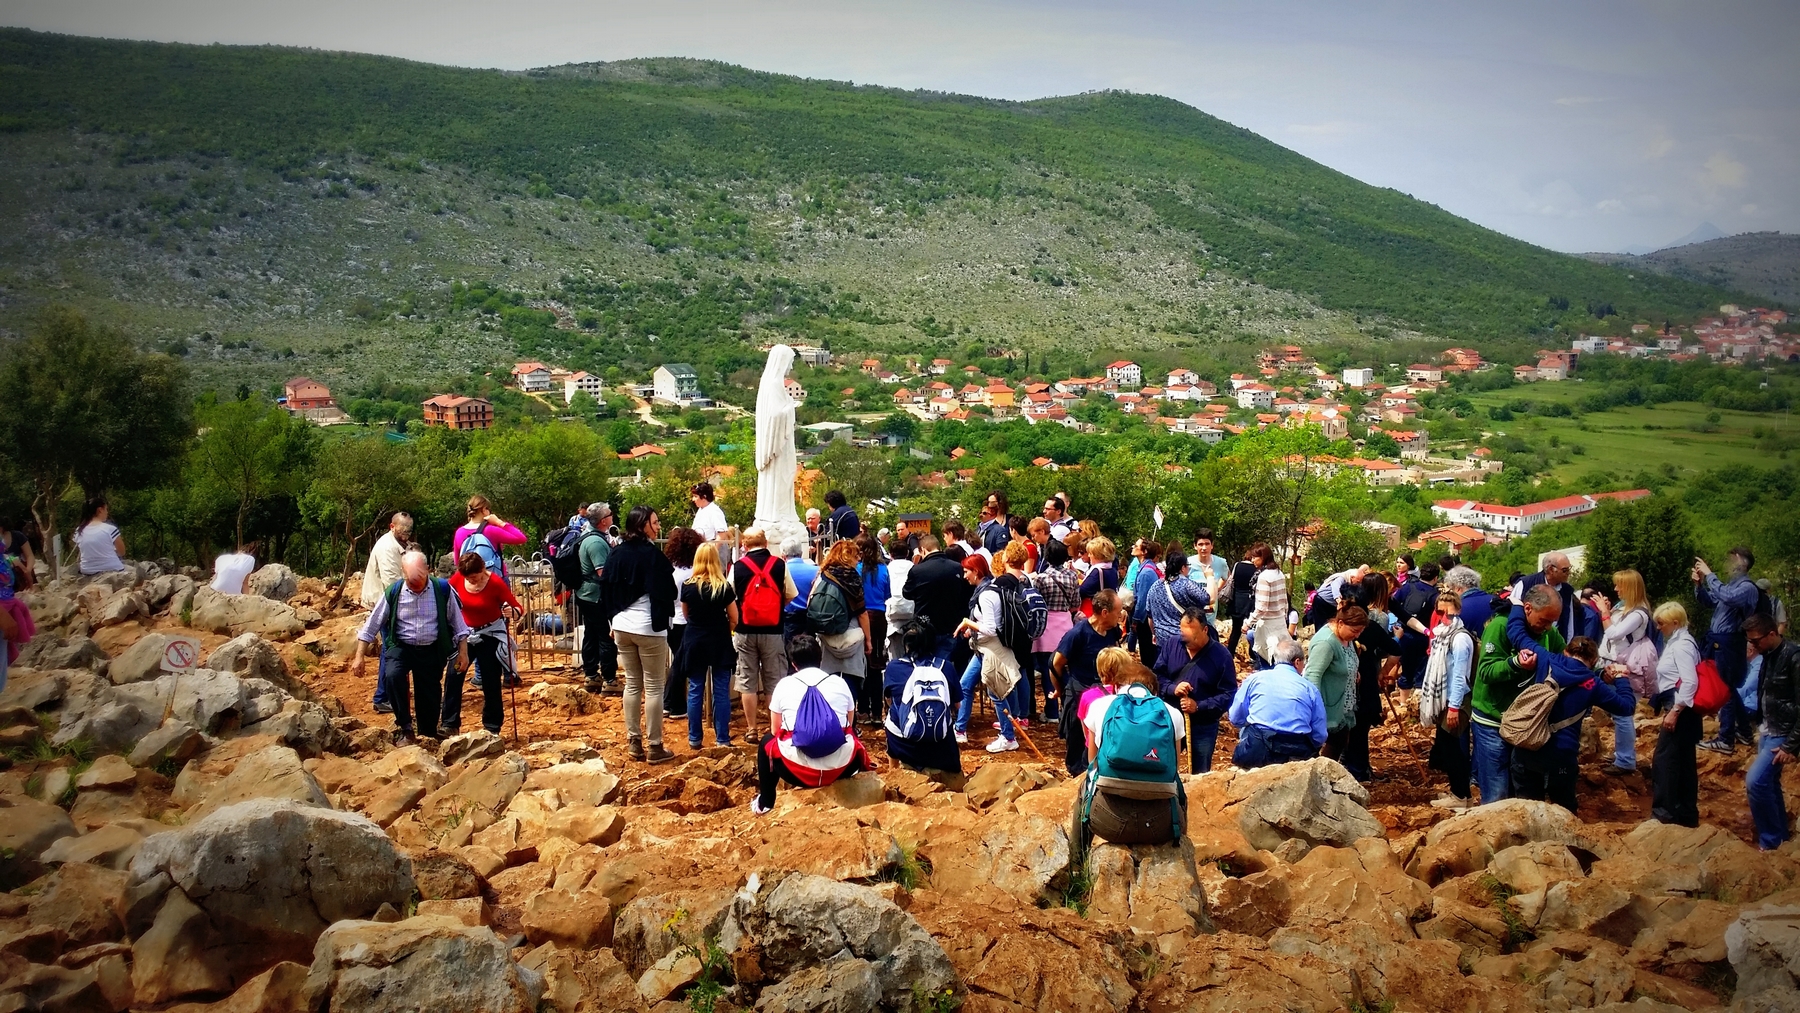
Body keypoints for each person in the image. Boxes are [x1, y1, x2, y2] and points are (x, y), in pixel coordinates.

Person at [350, 551, 470, 746]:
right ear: (402, 574)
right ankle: (405, 727)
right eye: (410, 582)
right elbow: (371, 626)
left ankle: (427, 734)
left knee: (429, 693)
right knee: (393, 676)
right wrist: (359, 657)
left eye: (419, 581)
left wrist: (463, 652)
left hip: (431, 648)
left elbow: (459, 624)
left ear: (428, 571)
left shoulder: (442, 590)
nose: (415, 587)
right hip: (401, 647)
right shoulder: (393, 592)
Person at [1509, 637, 1634, 813]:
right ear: (1594, 661)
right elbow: (1626, 707)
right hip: (1561, 757)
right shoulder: (1593, 684)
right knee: (1565, 811)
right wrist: (1620, 678)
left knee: (1528, 811)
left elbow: (1517, 632)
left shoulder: (1546, 658)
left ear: (1566, 652)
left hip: (1526, 748)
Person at [752, 633, 870, 814]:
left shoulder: (784, 685)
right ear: (820, 657)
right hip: (841, 768)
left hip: (796, 772)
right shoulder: (839, 683)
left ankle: (766, 802)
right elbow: (849, 724)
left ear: (793, 663)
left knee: (766, 743)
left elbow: (775, 731)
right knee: (851, 736)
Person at [1472, 583, 1567, 804]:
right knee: (1496, 792)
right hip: (1492, 721)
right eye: (1543, 621)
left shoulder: (1548, 634)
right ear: (1527, 608)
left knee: (1522, 791)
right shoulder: (1500, 626)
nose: (1546, 627)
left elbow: (1566, 658)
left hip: (1526, 725)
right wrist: (1515, 664)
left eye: (1552, 622)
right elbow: (1485, 672)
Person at [1078, 657, 1186, 847]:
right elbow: (1174, 767)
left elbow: (1092, 762)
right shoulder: (1172, 713)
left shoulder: (1100, 705)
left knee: (1084, 784)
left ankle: (1078, 863)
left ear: (1117, 686)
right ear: (1154, 691)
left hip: (1108, 822)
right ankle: (1179, 848)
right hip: (1160, 825)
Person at [600, 506, 679, 764]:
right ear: (643, 524)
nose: (658, 527)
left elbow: (607, 589)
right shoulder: (652, 556)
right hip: (648, 627)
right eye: (655, 522)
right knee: (654, 686)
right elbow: (669, 592)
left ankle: (633, 741)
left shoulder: (616, 553)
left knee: (633, 683)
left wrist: (613, 619)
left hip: (621, 625)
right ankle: (655, 745)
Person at [951, 550, 1026, 753]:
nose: (964, 576)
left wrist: (969, 623)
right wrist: (972, 628)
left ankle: (1008, 737)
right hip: (983, 648)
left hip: (992, 650)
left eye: (966, 571)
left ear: (976, 571)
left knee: (996, 693)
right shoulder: (988, 590)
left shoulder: (986, 595)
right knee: (965, 686)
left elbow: (992, 628)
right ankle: (959, 730)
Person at [1053, 589, 1127, 774]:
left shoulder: (1112, 631)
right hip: (1080, 691)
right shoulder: (1078, 634)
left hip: (1105, 693)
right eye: (1117, 613)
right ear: (1104, 613)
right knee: (1076, 736)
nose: (1120, 617)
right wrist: (1060, 689)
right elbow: (1056, 663)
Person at [732, 528, 799, 734]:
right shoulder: (779, 565)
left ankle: (751, 728)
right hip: (773, 629)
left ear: (744, 544)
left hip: (745, 629)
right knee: (773, 680)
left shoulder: (738, 567)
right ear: (766, 542)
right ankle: (773, 729)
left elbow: (730, 595)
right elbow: (790, 594)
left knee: (747, 680)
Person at [447, 551, 522, 735]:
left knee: (491, 681)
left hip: (490, 634)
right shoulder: (458, 579)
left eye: (475, 577)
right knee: (453, 675)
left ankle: (492, 726)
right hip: (465, 635)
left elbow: (518, 607)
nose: (471, 581)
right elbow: (447, 598)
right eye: (468, 578)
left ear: (483, 569)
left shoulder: (495, 583)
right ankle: (449, 724)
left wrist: (513, 613)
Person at [1155, 606, 1236, 773]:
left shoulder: (1221, 656)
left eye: (1191, 637)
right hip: (1170, 719)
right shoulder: (1172, 644)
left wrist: (1198, 706)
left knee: (1200, 772)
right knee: (1163, 767)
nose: (1186, 641)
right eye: (1183, 635)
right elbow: (1157, 677)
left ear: (1205, 630)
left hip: (1203, 725)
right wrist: (1172, 688)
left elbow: (1228, 694)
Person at [1695, 547, 1760, 753]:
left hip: (1730, 641)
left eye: (1731, 558)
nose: (1727, 563)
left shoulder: (1747, 587)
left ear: (1741, 561)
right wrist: (1698, 585)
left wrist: (1709, 574)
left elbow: (1728, 597)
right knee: (1729, 688)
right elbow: (1710, 601)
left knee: (1725, 688)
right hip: (1721, 641)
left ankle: (1726, 739)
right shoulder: (1731, 586)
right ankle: (1744, 732)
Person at [1743, 613, 1796, 850]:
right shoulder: (1768, 655)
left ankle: (1771, 841)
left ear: (1772, 634)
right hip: (1768, 728)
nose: (1752, 646)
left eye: (1755, 641)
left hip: (1783, 731)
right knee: (1770, 784)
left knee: (1755, 782)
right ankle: (1780, 837)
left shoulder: (1793, 658)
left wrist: (1790, 745)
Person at [1229, 639, 1328, 768]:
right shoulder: (1310, 689)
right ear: (1297, 662)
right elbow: (1319, 734)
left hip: (1258, 749)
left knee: (1247, 728)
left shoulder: (1255, 679)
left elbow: (1235, 717)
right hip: (1296, 751)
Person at [882, 619, 962, 774]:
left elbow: (889, 701)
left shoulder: (894, 667)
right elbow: (957, 705)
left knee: (893, 715)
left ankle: (894, 772)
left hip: (904, 744)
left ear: (907, 643)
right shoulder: (946, 667)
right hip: (940, 744)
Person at [680, 542, 738, 749]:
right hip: (719, 640)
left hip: (695, 639)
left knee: (695, 689)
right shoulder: (723, 587)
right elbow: (734, 617)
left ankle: (694, 737)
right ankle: (722, 738)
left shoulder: (687, 586)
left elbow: (686, 615)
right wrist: (724, 627)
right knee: (721, 690)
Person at [1597, 569, 1654, 777]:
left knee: (1623, 714)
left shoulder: (1638, 614)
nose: (1615, 589)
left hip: (1622, 668)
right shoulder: (1625, 609)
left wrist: (1603, 611)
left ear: (1629, 587)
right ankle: (1621, 756)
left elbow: (1613, 633)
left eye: (1619, 585)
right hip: (1612, 664)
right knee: (1618, 713)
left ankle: (1626, 760)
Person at [1649, 602, 1702, 828]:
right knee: (1683, 762)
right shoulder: (1684, 642)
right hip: (1684, 707)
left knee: (1665, 761)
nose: (1658, 628)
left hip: (1679, 705)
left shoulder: (1681, 646)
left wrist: (1675, 711)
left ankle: (1664, 814)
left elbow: (1690, 681)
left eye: (1661, 623)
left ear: (1675, 623)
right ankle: (1686, 814)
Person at [1425, 589, 1477, 810]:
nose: (1446, 617)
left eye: (1450, 612)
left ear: (1458, 611)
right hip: (1445, 698)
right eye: (1441, 611)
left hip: (1456, 700)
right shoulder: (1443, 635)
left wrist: (1454, 707)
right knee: (1448, 747)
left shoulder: (1460, 639)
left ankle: (1460, 796)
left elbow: (1459, 675)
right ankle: (1460, 793)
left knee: (1454, 749)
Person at [1305, 603, 1366, 763]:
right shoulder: (1326, 642)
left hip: (1342, 706)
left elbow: (1344, 661)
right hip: (1327, 706)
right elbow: (1313, 675)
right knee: (1322, 746)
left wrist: (1353, 672)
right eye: (1354, 631)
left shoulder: (1346, 638)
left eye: (1360, 631)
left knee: (1338, 743)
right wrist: (1315, 707)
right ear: (1340, 623)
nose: (1357, 636)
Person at [1029, 543, 1082, 722]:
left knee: (1047, 668)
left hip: (1046, 625)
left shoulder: (1041, 578)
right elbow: (1076, 603)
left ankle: (1052, 711)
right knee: (1065, 667)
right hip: (1066, 623)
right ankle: (1069, 707)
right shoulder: (1073, 576)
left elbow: (1035, 604)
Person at [813, 539, 873, 694]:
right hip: (851, 635)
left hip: (826, 633)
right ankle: (848, 714)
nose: (858, 559)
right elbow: (862, 614)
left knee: (827, 681)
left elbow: (810, 603)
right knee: (850, 682)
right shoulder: (851, 578)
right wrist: (868, 640)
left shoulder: (822, 575)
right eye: (855, 556)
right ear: (847, 556)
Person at [902, 534, 974, 659]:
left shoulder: (917, 570)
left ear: (923, 550)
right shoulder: (957, 568)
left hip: (924, 627)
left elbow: (907, 593)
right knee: (943, 667)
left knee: (923, 667)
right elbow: (965, 594)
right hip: (950, 626)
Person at [573, 502, 618, 694]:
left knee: (591, 634)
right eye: (610, 514)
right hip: (596, 596)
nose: (612, 516)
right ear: (603, 521)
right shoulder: (597, 542)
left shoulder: (589, 535)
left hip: (585, 594)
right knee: (605, 636)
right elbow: (603, 573)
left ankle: (591, 675)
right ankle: (610, 679)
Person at [662, 527, 704, 718]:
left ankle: (671, 703)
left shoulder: (669, 569)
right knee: (681, 664)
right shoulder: (693, 572)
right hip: (687, 620)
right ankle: (674, 705)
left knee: (679, 661)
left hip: (672, 621)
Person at [856, 533, 892, 720]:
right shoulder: (883, 569)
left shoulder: (855, 569)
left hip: (859, 615)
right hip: (878, 616)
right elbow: (887, 594)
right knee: (876, 664)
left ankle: (863, 709)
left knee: (860, 663)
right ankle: (878, 712)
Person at [1148, 550, 1211, 652]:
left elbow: (1150, 617)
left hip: (1162, 640)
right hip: (1183, 641)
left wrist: (1154, 633)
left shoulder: (1155, 586)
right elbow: (1207, 599)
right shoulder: (1186, 584)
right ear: (1183, 568)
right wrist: (1210, 577)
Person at [454, 495, 526, 583]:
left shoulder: (459, 532)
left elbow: (457, 562)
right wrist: (498, 522)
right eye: (488, 509)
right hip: (494, 581)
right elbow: (521, 538)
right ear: (484, 510)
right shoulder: (491, 530)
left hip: (472, 583)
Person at [1393, 561, 1441, 692]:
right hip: (1424, 636)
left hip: (1404, 634)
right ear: (1435, 578)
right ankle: (1417, 705)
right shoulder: (1435, 596)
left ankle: (1403, 704)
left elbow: (1394, 604)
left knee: (1406, 672)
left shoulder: (1407, 587)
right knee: (1421, 672)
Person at [1509, 552, 1577, 642]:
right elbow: (1511, 610)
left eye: (1569, 569)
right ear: (1551, 569)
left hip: (1554, 643)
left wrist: (1565, 645)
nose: (1569, 573)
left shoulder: (1567, 591)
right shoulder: (1525, 584)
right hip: (1526, 639)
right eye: (1565, 570)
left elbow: (1569, 624)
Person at [1248, 544, 1292, 669]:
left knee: (1266, 663)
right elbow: (1285, 601)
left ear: (1263, 557)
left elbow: (1262, 607)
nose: (1252, 561)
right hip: (1280, 623)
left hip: (1267, 626)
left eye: (1255, 557)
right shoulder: (1279, 573)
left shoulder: (1264, 576)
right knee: (1280, 661)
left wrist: (1248, 622)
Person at [1127, 539, 1164, 667]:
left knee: (1147, 652)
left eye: (1136, 545)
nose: (1133, 547)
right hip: (1147, 618)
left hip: (1145, 620)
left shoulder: (1146, 573)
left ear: (1144, 552)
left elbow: (1143, 601)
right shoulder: (1144, 568)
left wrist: (1136, 620)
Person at [1221, 547, 1260, 661]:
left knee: (1236, 630)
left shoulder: (1237, 565)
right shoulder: (1256, 568)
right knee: (1253, 629)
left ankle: (1230, 653)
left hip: (1237, 600)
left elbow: (1231, 581)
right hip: (1250, 601)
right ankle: (1253, 654)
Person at [73, 497, 126, 575]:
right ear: (100, 510)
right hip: (112, 568)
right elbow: (122, 552)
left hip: (87, 570)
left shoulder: (79, 530)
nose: (107, 512)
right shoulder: (110, 529)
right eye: (106, 509)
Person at [781, 537, 819, 640]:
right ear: (801, 553)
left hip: (789, 619)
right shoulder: (817, 571)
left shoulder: (780, 572)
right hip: (811, 618)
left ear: (783, 556)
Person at [1078, 537, 1119, 616]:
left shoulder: (1097, 571)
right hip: (1109, 609)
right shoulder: (1112, 569)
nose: (1089, 555)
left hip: (1094, 611)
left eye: (1091, 553)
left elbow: (1082, 591)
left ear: (1098, 555)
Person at [1191, 529, 1229, 596]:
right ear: (1195, 546)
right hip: (1192, 605)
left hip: (1212, 605)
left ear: (1212, 545)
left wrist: (1217, 589)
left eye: (1207, 544)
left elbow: (1227, 578)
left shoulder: (1221, 562)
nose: (1204, 548)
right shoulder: (1188, 563)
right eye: (1200, 544)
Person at [976, 490, 1010, 555]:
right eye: (989, 502)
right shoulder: (984, 523)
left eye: (993, 502)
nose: (990, 504)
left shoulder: (1009, 520)